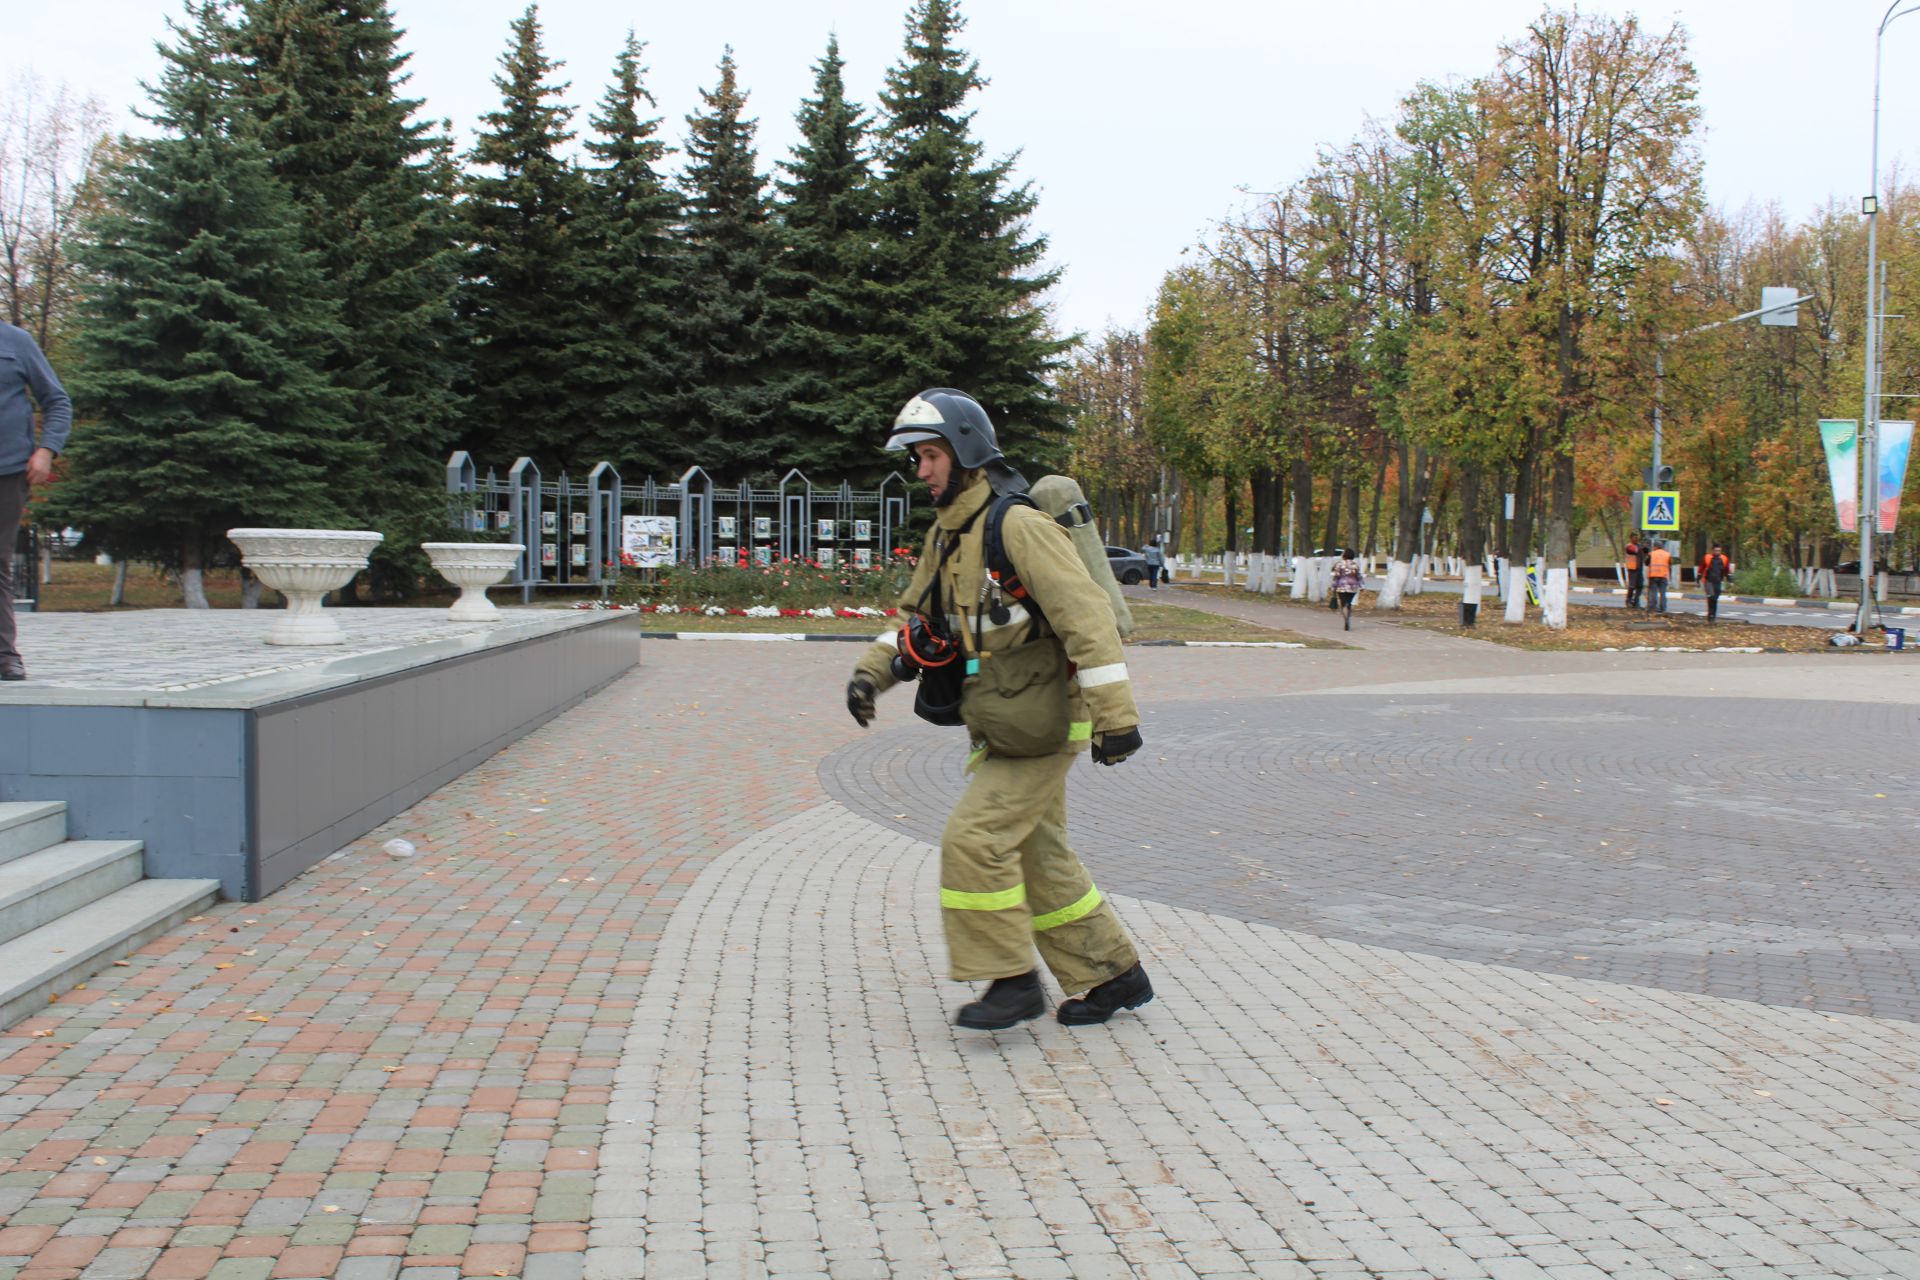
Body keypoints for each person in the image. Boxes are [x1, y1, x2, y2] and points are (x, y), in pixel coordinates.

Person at [844, 388, 1153, 1032]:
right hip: (1003, 721)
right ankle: (1113, 976)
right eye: (918, 458)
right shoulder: (948, 535)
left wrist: (1115, 718)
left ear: (963, 452)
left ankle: (1011, 982)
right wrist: (871, 676)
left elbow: (1087, 618)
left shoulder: (1016, 526)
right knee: (1040, 858)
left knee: (974, 840)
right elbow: (916, 621)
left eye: (929, 455)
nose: (921, 470)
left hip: (1043, 723)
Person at [1, 323, 71, 682]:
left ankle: (5, 656)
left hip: (7, 469)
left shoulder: (16, 342)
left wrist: (46, 450)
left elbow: (57, 400)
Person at [1698, 543, 1734, 622]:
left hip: (1718, 581)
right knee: (1711, 597)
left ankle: (1713, 614)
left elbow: (1727, 571)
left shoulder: (1724, 559)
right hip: (1708, 581)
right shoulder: (1707, 558)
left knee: (1715, 599)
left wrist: (1730, 581)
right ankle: (1711, 615)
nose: (1717, 552)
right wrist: (1698, 578)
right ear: (1712, 551)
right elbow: (1701, 568)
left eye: (1719, 551)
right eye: (1716, 550)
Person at [1331, 549, 1363, 630]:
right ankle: (1347, 618)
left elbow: (1336, 577)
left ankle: (1346, 621)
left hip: (1341, 587)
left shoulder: (1339, 564)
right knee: (1348, 603)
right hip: (1353, 587)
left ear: (1344, 555)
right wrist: (1362, 586)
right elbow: (1358, 576)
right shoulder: (1355, 565)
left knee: (1343, 604)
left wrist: (1333, 587)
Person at [1645, 539, 1672, 614]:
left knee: (1654, 592)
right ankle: (1663, 608)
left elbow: (1646, 563)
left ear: (1655, 546)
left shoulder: (1651, 554)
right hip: (1663, 576)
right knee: (1663, 593)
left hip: (1653, 576)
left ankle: (1653, 607)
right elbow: (1669, 565)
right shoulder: (1667, 554)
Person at [1623, 534, 1644, 609]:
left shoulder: (1639, 546)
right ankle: (1628, 601)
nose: (1636, 539)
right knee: (1632, 586)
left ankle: (1636, 601)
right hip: (1632, 569)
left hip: (1639, 569)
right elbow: (1633, 550)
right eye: (1634, 538)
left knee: (1640, 585)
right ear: (1631, 539)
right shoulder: (1629, 546)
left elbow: (1645, 552)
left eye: (1637, 537)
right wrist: (1641, 548)